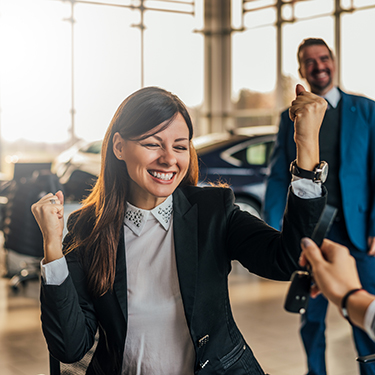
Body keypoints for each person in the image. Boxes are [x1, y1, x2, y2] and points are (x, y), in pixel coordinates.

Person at [32, 85, 327, 375]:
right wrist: (53, 249)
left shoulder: (212, 211)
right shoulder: (89, 229)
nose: (169, 158)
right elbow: (70, 348)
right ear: (119, 147)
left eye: (180, 146)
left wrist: (306, 146)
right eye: (152, 144)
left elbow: (287, 260)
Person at [263, 37, 375, 375]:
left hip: (359, 232)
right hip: (313, 230)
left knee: (363, 308)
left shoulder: (366, 110)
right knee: (311, 317)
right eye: (309, 62)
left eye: (323, 58)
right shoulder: (290, 116)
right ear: (301, 70)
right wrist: (276, 228)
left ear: (334, 61)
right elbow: (279, 173)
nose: (318, 66)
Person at [299, 238, 375, 342]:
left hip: (360, 240)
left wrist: (348, 295)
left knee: (364, 333)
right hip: (315, 240)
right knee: (312, 316)